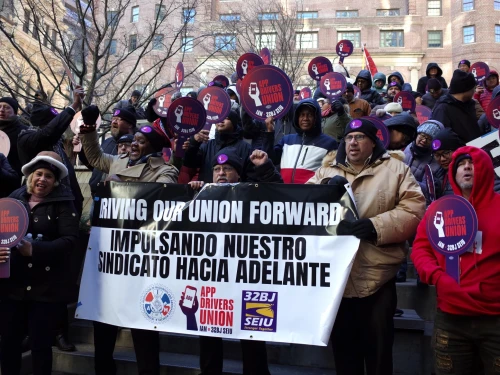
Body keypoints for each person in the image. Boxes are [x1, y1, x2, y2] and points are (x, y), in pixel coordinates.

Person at [306, 117, 426, 375]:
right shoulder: (325, 173)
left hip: (378, 278)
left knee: (379, 355)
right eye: (349, 138)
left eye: (360, 137)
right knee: (344, 354)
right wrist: (324, 193)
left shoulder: (397, 170)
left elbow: (414, 210)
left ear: (374, 143)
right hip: (337, 280)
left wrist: (375, 226)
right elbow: (301, 209)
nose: (353, 142)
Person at [78, 106, 178, 375]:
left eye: (141, 142)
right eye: (134, 140)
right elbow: (96, 157)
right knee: (104, 324)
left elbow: (163, 196)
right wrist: (88, 132)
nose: (133, 145)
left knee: (143, 326)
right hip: (110, 256)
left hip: (141, 256)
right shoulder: (118, 161)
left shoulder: (165, 170)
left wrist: (119, 185)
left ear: (153, 147)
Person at [188, 148, 281, 375]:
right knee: (209, 331)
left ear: (238, 174)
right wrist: (190, 194)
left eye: (227, 169)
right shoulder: (202, 195)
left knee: (252, 335)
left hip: (248, 277)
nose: (221, 173)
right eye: (217, 169)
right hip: (212, 278)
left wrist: (265, 167)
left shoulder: (251, 192)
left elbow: (278, 195)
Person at [411, 146, 500, 375]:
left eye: (473, 163)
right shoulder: (439, 210)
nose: (467, 167)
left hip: (495, 317)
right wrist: (438, 277)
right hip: (451, 317)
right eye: (461, 164)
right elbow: (421, 248)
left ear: (487, 170)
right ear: (453, 172)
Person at [0, 151, 79, 375]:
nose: (42, 179)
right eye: (39, 174)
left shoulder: (64, 204)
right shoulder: (11, 202)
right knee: (8, 344)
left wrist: (35, 250)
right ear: (29, 177)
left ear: (55, 183)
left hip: (46, 290)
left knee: (41, 346)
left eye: (48, 176)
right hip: (11, 287)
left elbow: (70, 241)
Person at [19, 87, 84, 217]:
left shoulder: (57, 143)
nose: (60, 127)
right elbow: (49, 133)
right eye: (54, 122)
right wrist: (74, 105)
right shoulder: (28, 138)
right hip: (43, 208)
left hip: (66, 205)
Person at [184, 111, 269, 183]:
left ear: (234, 123)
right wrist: (194, 142)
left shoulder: (246, 148)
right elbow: (189, 163)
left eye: (226, 118)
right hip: (209, 198)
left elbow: (251, 178)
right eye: (218, 118)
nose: (221, 121)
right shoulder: (207, 145)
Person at [268, 98, 338, 183]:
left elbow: (331, 175)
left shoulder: (329, 143)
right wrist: (269, 132)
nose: (305, 118)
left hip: (310, 194)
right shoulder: (286, 140)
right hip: (284, 192)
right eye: (302, 115)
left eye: (310, 115)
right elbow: (271, 158)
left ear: (316, 118)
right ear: (297, 118)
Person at [78, 107, 137, 196]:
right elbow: (95, 162)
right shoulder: (107, 142)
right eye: (113, 119)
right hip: (97, 195)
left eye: (118, 119)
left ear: (130, 125)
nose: (113, 122)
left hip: (121, 198)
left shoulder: (137, 147)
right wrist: (83, 147)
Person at [432, 69, 481, 143]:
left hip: (474, 149)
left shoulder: (470, 104)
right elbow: (443, 138)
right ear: (466, 90)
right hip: (459, 152)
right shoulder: (442, 108)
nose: (474, 91)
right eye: (473, 88)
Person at [403, 120, 445, 205]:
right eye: (422, 136)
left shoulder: (436, 161)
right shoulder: (408, 147)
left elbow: (430, 192)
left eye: (429, 139)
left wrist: (406, 181)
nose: (424, 140)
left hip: (417, 202)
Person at [0, 97, 28, 190]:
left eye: (6, 107)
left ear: (15, 112)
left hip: (10, 184)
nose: (2, 110)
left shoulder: (23, 132)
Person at [431, 128, 465, 197]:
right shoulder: (437, 174)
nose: (442, 159)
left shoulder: (469, 171)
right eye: (437, 155)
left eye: (446, 153)